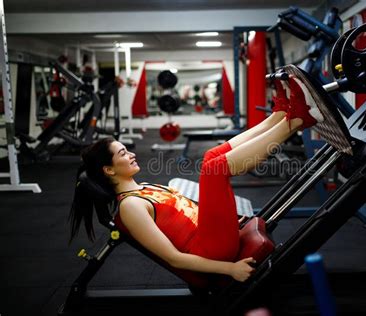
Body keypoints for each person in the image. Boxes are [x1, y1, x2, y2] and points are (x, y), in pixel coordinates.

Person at [69, 68, 323, 284]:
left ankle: (280, 115)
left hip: (212, 234)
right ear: (109, 170)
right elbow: (173, 258)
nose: (132, 154)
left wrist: (229, 219)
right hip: (212, 251)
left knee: (212, 155)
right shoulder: (131, 207)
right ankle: (298, 119)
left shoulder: (141, 189)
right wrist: (230, 269)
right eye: (123, 154)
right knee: (212, 170)